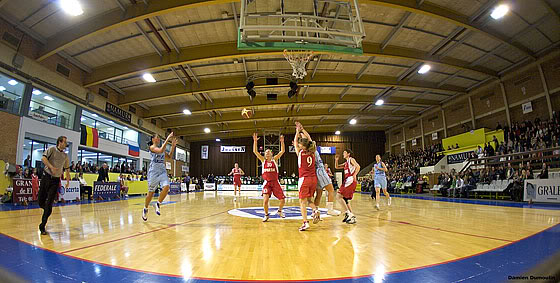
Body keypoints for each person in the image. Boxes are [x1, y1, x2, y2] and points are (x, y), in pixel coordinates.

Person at [296, 122, 340, 216]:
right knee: (331, 190)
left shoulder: (306, 152)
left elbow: (306, 139)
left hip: (313, 174)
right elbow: (308, 138)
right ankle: (330, 210)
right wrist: (302, 130)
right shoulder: (312, 150)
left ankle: (314, 211)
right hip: (319, 171)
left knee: (319, 193)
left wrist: (299, 131)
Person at [38, 136, 70, 235]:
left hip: (55, 181)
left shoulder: (65, 156)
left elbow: (67, 169)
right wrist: (51, 167)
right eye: (65, 142)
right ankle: (47, 209)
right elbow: (43, 158)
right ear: (60, 142)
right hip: (46, 177)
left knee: (49, 203)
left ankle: (42, 225)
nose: (66, 144)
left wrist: (68, 180)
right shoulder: (52, 149)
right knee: (40, 201)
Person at [252, 133, 286, 222]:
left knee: (282, 200)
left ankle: (279, 211)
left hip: (275, 182)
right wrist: (255, 141)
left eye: (268, 152)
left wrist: (282, 142)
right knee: (265, 200)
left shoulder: (275, 159)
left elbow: (282, 151)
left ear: (271, 153)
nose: (267, 153)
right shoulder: (263, 161)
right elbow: (255, 152)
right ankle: (266, 215)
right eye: (266, 152)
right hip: (267, 183)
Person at [142, 132, 176, 221]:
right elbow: (160, 151)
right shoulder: (152, 147)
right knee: (151, 193)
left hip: (162, 171)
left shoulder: (162, 148)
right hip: (153, 172)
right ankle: (145, 208)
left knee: (167, 186)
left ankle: (158, 203)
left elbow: (169, 156)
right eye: (157, 137)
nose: (158, 139)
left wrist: (172, 146)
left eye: (159, 138)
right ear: (153, 139)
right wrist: (168, 138)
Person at [293, 126, 321, 231]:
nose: (298, 144)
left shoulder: (300, 153)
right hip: (313, 179)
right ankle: (315, 210)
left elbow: (295, 141)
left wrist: (297, 131)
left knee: (302, 202)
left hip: (304, 179)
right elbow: (309, 139)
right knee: (309, 199)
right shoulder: (313, 152)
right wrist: (302, 129)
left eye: (300, 144)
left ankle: (305, 223)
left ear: (302, 146)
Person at [335, 149, 360, 224]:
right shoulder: (346, 163)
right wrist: (336, 160)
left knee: (338, 196)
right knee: (345, 200)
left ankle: (348, 214)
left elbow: (358, 166)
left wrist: (355, 174)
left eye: (344, 152)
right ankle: (351, 216)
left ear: (348, 154)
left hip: (350, 180)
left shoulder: (351, 159)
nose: (343, 154)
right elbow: (337, 167)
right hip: (347, 180)